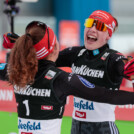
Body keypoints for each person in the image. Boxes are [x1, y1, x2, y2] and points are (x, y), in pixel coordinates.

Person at [1, 21, 134, 134]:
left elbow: (35, 60)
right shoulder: (61, 80)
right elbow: (105, 95)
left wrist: (21, 47)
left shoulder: (16, 70)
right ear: (54, 48)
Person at [55, 10, 134, 134]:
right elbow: (45, 60)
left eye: (99, 26)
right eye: (90, 23)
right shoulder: (76, 53)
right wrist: (21, 48)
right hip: (76, 127)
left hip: (103, 128)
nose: (92, 29)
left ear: (108, 35)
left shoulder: (113, 58)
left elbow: (126, 67)